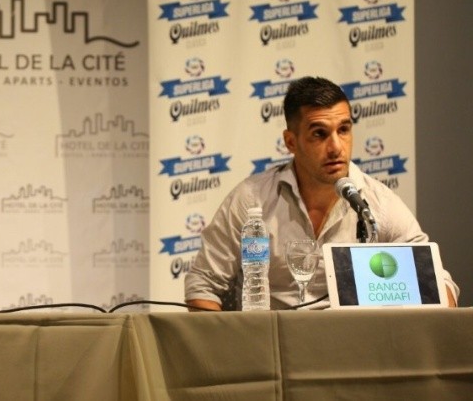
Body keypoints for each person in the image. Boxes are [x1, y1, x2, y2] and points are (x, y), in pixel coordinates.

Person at [185, 76, 459, 310]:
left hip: (351, 352)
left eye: (344, 130)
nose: (336, 147)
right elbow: (202, 284)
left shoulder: (377, 203)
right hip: (271, 352)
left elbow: (440, 284)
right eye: (319, 134)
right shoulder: (251, 200)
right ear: (291, 142)